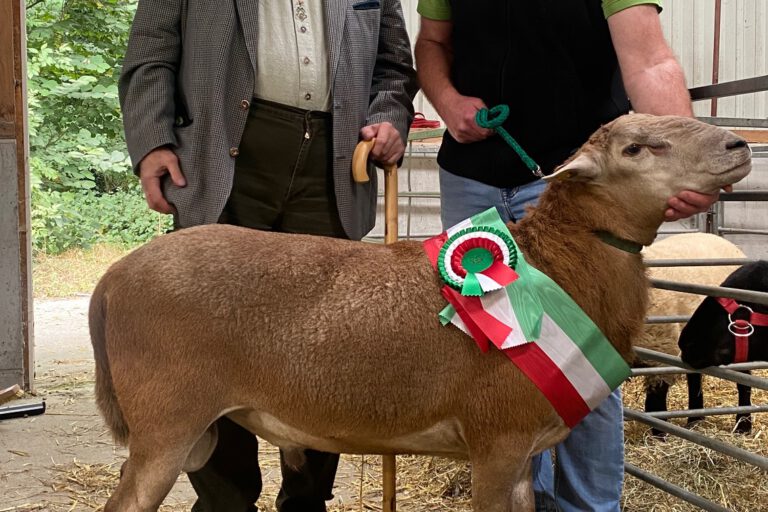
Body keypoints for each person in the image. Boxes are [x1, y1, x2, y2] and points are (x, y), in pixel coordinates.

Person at [414, 1, 719, 511]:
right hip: (472, 174)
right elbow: (432, 42)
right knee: (491, 349)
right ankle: (523, 499)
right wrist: (446, 101)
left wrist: (683, 160)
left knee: (585, 355)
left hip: (582, 176)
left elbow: (650, 61)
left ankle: (588, 505)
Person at [118, 1, 417, 511]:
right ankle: (227, 504)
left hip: (334, 164)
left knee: (329, 345)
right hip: (225, 158)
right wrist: (152, 141)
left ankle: (307, 502)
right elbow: (150, 52)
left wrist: (390, 117)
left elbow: (394, 68)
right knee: (214, 340)